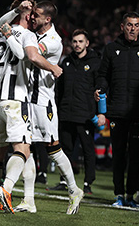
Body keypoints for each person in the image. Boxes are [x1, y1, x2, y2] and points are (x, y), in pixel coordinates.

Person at [0, 0, 62, 214]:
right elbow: (29, 55)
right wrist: (53, 68)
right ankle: (7, 187)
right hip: (16, 101)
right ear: (27, 15)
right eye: (32, 14)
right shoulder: (29, 35)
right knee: (22, 149)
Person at [0, 0, 84, 214]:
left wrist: (10, 36)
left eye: (36, 14)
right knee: (26, 149)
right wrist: (18, 14)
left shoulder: (53, 41)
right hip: (26, 99)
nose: (32, 17)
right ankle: (28, 200)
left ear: (48, 19)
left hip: (42, 102)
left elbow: (31, 56)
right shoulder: (34, 34)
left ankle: (74, 190)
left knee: (53, 149)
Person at [95, 12, 139, 207]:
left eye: (137, 25)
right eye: (129, 25)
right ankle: (119, 195)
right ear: (122, 27)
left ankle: (132, 195)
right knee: (119, 155)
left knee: (137, 156)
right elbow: (103, 75)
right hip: (117, 111)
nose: (133, 28)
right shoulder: (111, 49)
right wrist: (100, 89)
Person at [53, 28, 101, 194]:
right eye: (74, 41)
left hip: (85, 115)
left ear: (87, 43)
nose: (77, 44)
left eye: (80, 41)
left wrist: (98, 111)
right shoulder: (66, 62)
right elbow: (59, 89)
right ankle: (64, 180)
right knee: (65, 150)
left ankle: (88, 183)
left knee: (87, 150)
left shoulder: (96, 63)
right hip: (66, 113)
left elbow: (100, 88)